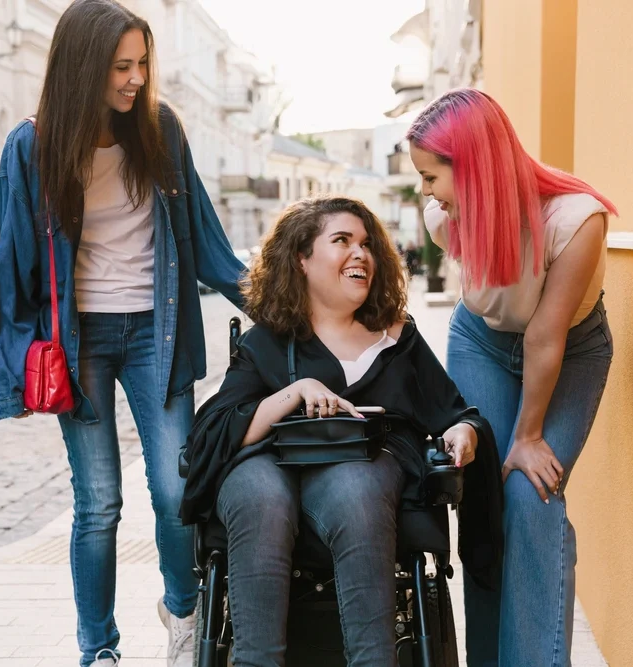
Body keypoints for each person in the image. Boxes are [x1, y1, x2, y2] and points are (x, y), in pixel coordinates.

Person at [0, 2, 246, 665]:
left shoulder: (161, 131)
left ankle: (182, 613)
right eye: (120, 66)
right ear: (83, 67)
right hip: (80, 344)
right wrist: (14, 367)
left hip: (156, 332)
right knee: (98, 502)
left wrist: (291, 305)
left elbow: (210, 247)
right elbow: (13, 263)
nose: (134, 79)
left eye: (142, 65)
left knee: (174, 487)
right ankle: (97, 647)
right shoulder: (31, 146)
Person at [180, 196, 501, 667]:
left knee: (355, 484)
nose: (361, 254)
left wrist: (464, 433)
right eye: (342, 241)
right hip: (270, 470)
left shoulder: (396, 339)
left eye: (367, 244)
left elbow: (455, 412)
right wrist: (295, 392)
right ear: (302, 260)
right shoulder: (268, 341)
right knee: (258, 493)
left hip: (365, 474)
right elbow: (211, 437)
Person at [406, 88, 617, 667]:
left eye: (430, 176)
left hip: (568, 352)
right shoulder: (443, 217)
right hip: (481, 344)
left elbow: (546, 337)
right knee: (484, 502)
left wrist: (526, 439)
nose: (425, 192)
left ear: (470, 167)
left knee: (531, 493)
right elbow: (488, 309)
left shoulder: (575, 220)